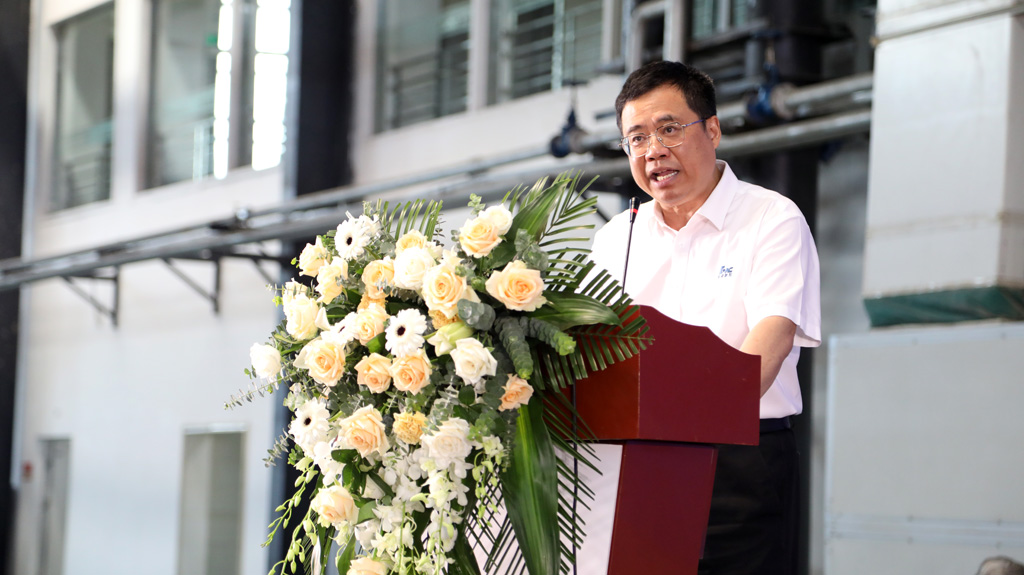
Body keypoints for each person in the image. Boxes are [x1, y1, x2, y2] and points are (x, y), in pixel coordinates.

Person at [590, 60, 821, 575]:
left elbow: (769, 341)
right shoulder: (614, 239)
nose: (653, 150)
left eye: (669, 129)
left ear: (712, 130)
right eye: (637, 138)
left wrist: (687, 419)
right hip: (632, 462)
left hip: (738, 461)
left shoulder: (771, 218)